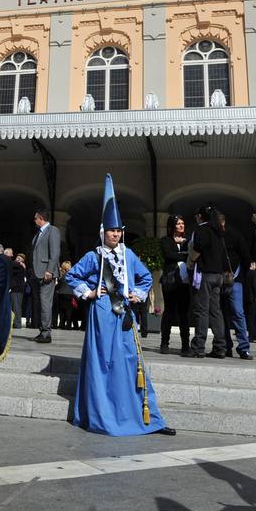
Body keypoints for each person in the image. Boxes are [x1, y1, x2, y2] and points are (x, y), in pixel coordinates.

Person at [64, 174, 174, 436]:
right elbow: (71, 276)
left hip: (124, 314)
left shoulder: (129, 254)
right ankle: (104, 414)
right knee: (103, 363)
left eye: (118, 230)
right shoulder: (94, 256)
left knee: (130, 363)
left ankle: (145, 416)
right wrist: (89, 293)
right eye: (112, 230)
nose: (115, 234)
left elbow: (146, 276)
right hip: (102, 313)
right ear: (104, 232)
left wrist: (137, 293)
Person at [187, 206, 230, 358]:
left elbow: (198, 247)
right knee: (215, 311)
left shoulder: (201, 230)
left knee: (201, 310)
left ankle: (198, 347)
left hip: (205, 274)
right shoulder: (218, 231)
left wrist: (191, 261)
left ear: (200, 216)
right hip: (218, 275)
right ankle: (220, 347)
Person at [216, 212, 252, 360]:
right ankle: (226, 346)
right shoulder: (214, 236)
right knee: (221, 315)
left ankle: (243, 347)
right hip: (219, 280)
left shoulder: (235, 236)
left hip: (234, 280)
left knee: (237, 313)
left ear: (223, 223)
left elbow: (246, 258)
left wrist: (239, 275)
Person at [158, 215, 192, 354]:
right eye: (178, 224)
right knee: (169, 312)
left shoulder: (188, 240)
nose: (181, 226)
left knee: (184, 313)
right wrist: (185, 254)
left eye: (183, 223)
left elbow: (193, 254)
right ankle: (164, 343)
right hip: (170, 281)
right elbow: (169, 255)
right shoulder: (165, 240)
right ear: (172, 226)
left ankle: (185, 345)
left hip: (185, 282)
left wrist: (182, 251)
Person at [29, 208, 61, 344]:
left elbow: (55, 252)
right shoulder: (38, 233)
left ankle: (46, 333)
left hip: (46, 273)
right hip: (37, 273)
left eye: (35, 218)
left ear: (41, 218)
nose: (34, 220)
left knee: (45, 303)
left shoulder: (52, 230)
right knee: (40, 303)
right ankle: (42, 331)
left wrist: (50, 270)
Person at [8, 250, 29, 329]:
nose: (18, 259)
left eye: (20, 258)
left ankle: (17, 323)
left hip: (17, 289)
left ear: (23, 260)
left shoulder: (19, 266)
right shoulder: (19, 265)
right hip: (15, 289)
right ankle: (15, 323)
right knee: (14, 307)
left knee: (16, 307)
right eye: (17, 257)